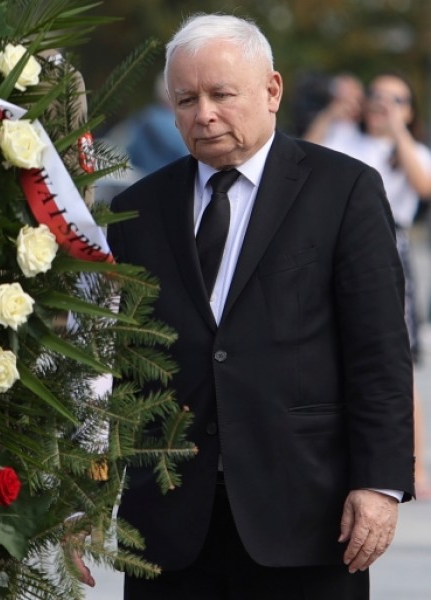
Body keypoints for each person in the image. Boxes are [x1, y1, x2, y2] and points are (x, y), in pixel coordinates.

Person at [103, 13, 415, 599]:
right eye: (186, 98)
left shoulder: (343, 189)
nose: (204, 114)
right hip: (170, 524)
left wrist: (379, 484)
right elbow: (115, 361)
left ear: (271, 90)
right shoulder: (139, 209)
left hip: (307, 518)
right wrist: (91, 485)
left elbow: (379, 350)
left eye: (222, 94)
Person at [307, 71, 431, 499]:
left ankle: (411, 464)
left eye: (395, 99)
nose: (381, 104)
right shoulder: (344, 135)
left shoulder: (410, 151)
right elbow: (304, 155)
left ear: (410, 110)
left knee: (393, 357)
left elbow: (424, 186)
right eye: (376, 96)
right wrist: (332, 111)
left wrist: (398, 130)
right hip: (331, 243)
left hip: (388, 247)